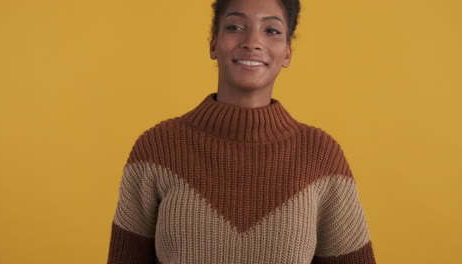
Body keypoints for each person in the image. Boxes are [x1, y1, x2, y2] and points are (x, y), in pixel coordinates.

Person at [107, 0, 377, 263]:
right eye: (235, 27)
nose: (252, 41)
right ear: (213, 44)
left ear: (287, 53)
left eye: (271, 30)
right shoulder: (157, 148)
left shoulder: (321, 156)